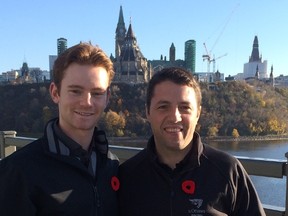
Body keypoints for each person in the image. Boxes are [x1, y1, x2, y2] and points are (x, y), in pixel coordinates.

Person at [118, 67, 266, 216]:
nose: (175, 117)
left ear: (198, 113)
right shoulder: (127, 177)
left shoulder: (228, 171)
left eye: (184, 107)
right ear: (148, 112)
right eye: (163, 107)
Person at [0, 42, 119, 216]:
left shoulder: (111, 165)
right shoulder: (17, 172)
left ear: (107, 97)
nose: (86, 102)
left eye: (97, 93)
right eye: (76, 91)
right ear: (55, 93)